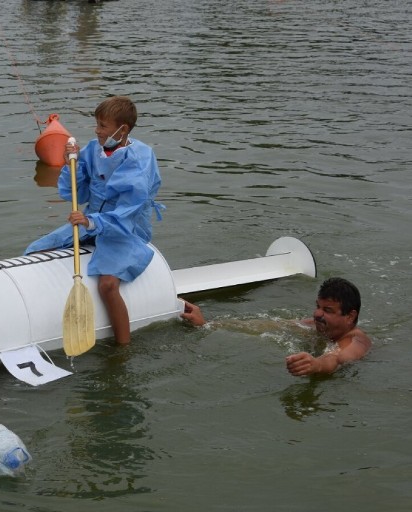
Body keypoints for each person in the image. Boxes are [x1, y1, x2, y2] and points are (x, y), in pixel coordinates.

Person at [25, 95, 164, 345]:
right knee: (36, 250)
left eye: (102, 126)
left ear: (123, 129)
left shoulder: (139, 160)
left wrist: (91, 223)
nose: (97, 130)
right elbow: (75, 191)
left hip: (126, 228)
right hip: (89, 219)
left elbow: (128, 210)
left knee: (108, 285)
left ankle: (123, 346)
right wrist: (73, 163)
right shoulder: (92, 149)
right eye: (97, 124)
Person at [180, 277, 372, 376]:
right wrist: (208, 324)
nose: (317, 314)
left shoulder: (356, 341)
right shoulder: (313, 326)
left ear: (350, 315)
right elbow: (264, 326)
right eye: (317, 307)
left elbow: (337, 359)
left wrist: (316, 365)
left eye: (328, 310)